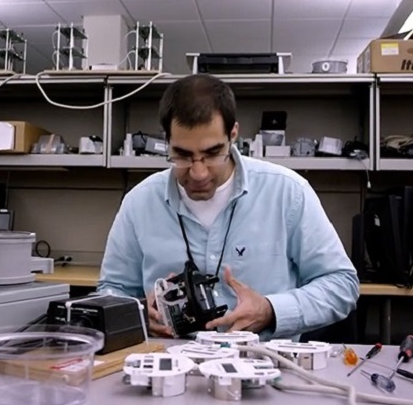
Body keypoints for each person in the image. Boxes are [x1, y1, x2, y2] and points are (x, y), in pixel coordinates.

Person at [97, 74, 359, 339]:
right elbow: (111, 289)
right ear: (167, 141)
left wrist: (270, 310)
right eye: (183, 155)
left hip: (263, 366)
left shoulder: (288, 192)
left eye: (212, 153)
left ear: (233, 134)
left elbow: (341, 285)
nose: (198, 173)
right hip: (168, 369)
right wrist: (138, 311)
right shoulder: (139, 203)